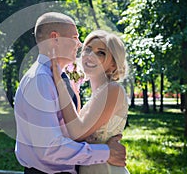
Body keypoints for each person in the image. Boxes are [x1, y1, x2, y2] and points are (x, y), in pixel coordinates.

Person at [14, 12, 126, 174]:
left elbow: (72, 130)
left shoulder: (57, 78)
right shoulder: (41, 80)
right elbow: (49, 148)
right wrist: (106, 153)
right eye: (75, 38)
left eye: (100, 52)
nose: (79, 44)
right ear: (55, 39)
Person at [51, 29, 130, 174]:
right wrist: (75, 95)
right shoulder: (99, 94)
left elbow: (76, 133)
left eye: (101, 53)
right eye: (88, 49)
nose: (91, 55)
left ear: (113, 64)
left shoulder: (113, 89)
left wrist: (59, 82)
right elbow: (78, 128)